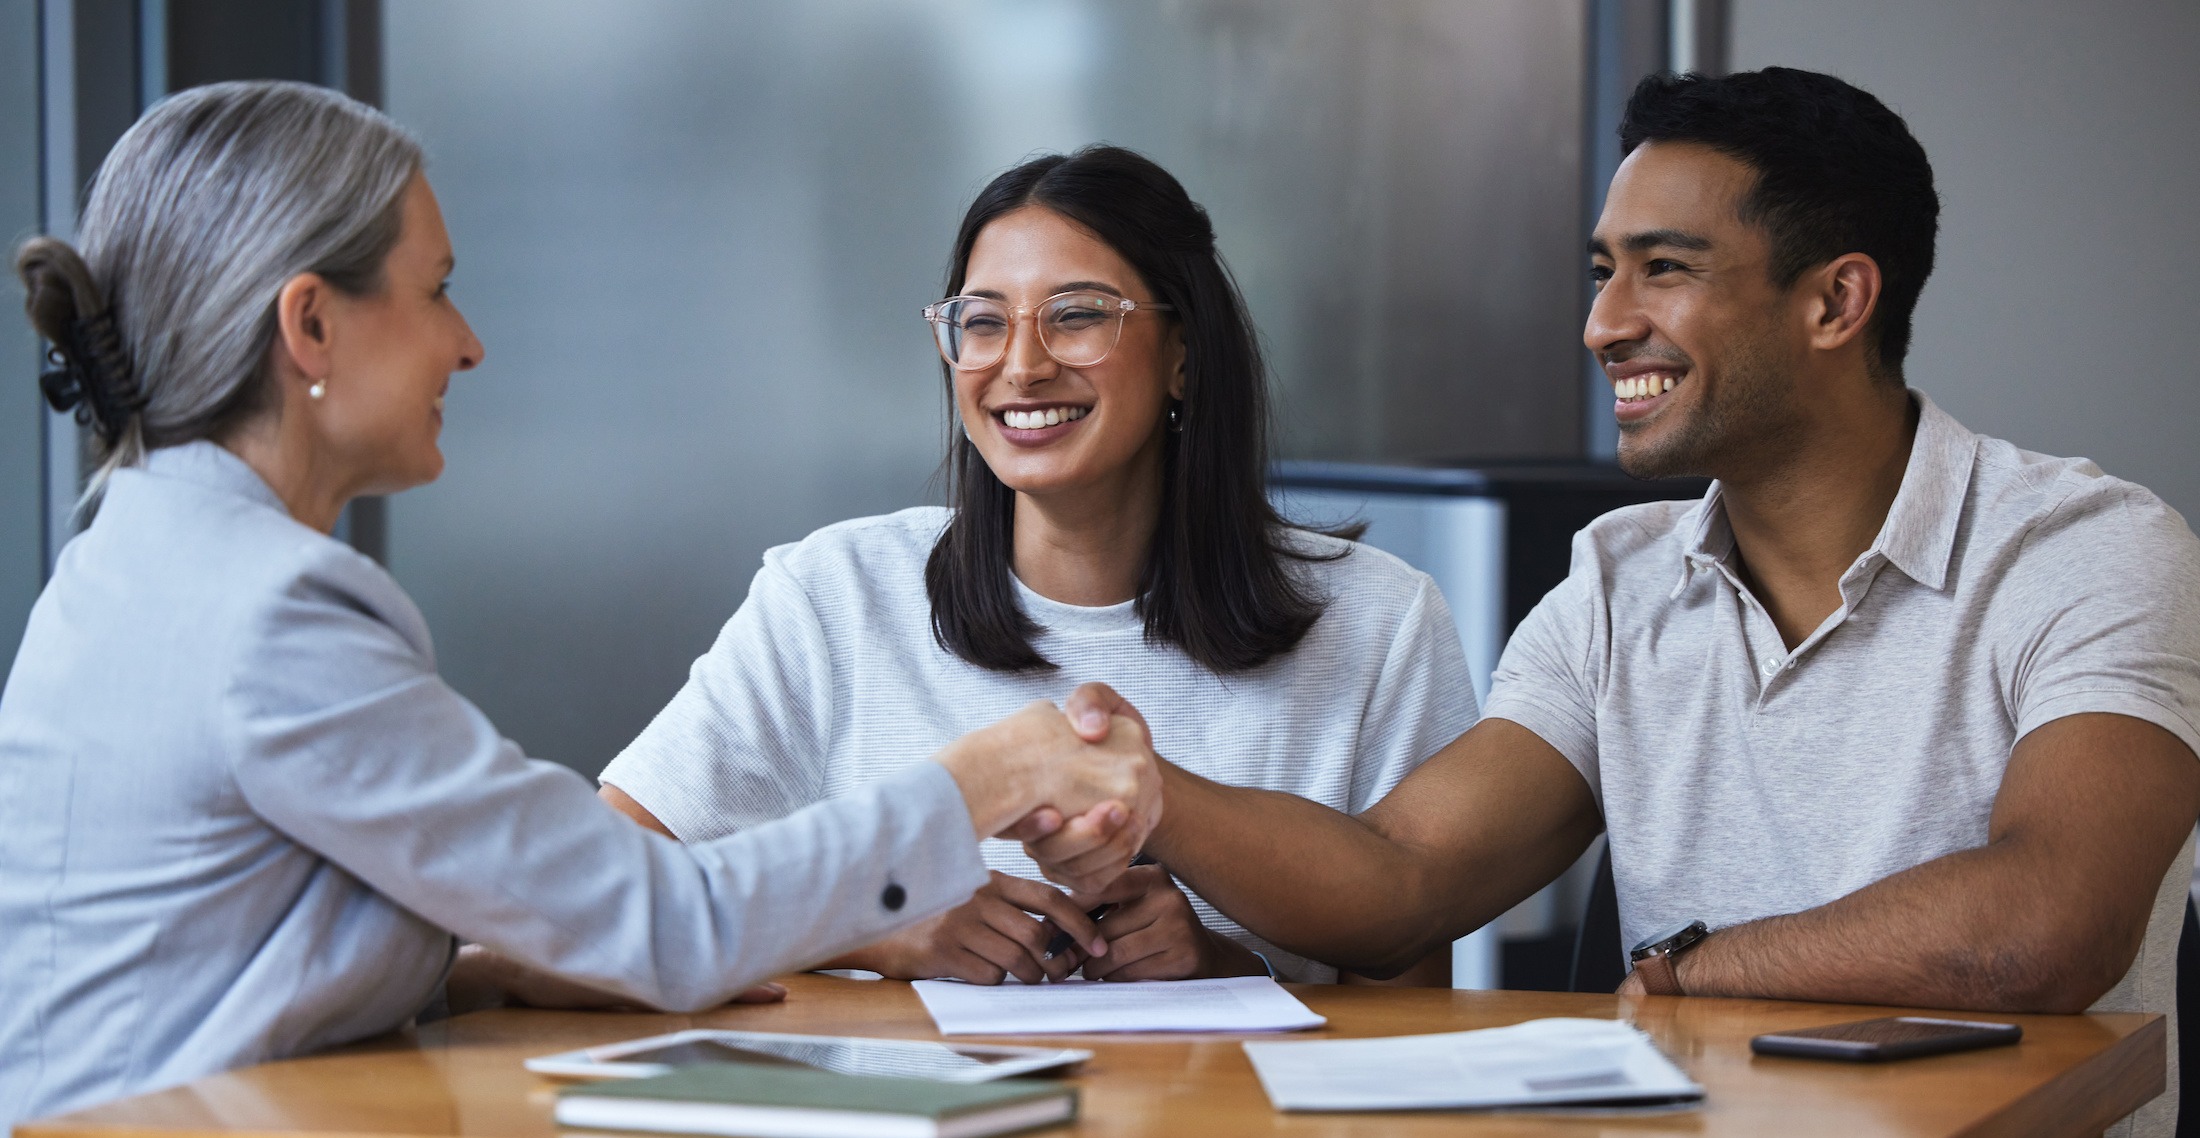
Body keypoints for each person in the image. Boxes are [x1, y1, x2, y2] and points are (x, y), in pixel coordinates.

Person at [1028, 68, 2200, 1137]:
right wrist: (1153, 795)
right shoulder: (1615, 578)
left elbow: (2042, 924)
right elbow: (1401, 877)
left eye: (1665, 267)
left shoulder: (2087, 551)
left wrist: (1696, 966)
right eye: (1602, 271)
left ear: (1836, 301)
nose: (1604, 324)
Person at [0, 81, 1159, 1130]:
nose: (469, 343)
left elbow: (215, 949)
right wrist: (990, 778)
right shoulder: (273, 613)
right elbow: (667, 919)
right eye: (437, 290)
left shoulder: (136, 552)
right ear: (310, 325)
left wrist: (474, 970)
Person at [595, 146, 1475, 986]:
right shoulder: (834, 595)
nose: (1020, 365)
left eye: (1078, 314)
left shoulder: (1377, 620)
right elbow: (612, 883)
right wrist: (873, 923)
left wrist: (1222, 964)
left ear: (1184, 354)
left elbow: (1412, 997)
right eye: (983, 323)